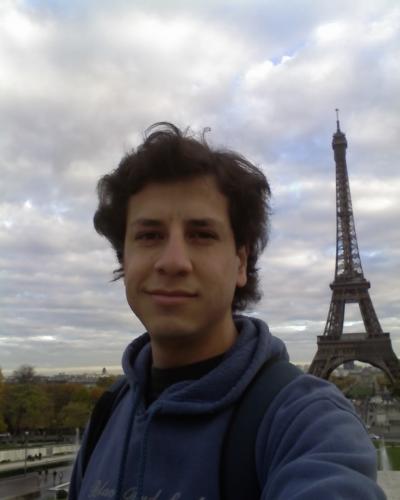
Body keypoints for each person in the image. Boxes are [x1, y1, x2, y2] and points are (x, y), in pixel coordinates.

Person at [69, 123, 384, 499]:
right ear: (124, 259)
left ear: (241, 263)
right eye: (149, 235)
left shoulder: (310, 422)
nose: (173, 262)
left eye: (202, 235)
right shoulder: (107, 414)